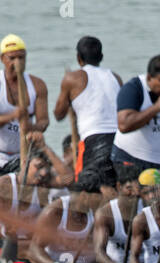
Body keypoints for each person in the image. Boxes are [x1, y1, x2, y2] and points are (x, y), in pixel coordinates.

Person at [54, 35, 122, 187]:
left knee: (86, 190)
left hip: (93, 141)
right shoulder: (116, 78)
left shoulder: (72, 78)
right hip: (120, 141)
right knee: (114, 187)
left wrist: (68, 94)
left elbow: (58, 114)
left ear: (79, 58)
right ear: (101, 57)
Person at [0, 34, 48, 167]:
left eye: (21, 58)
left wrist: (31, 128)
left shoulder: (38, 85)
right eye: (12, 58)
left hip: (23, 154)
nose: (17, 63)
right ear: (2, 59)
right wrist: (12, 116)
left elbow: (44, 121)